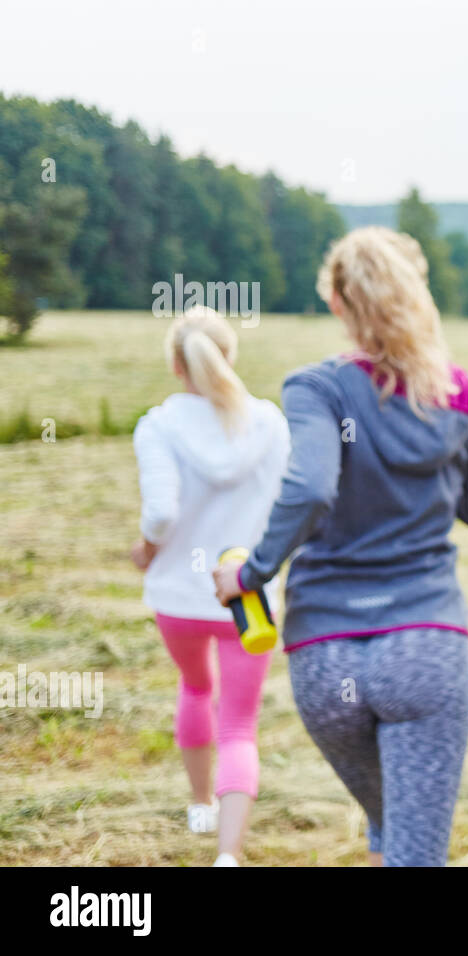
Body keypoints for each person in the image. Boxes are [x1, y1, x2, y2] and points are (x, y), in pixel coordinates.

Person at [214, 226, 468, 866]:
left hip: (326, 656)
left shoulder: (315, 388)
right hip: (424, 645)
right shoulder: (459, 391)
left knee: (388, 830)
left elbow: (312, 485)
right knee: (415, 848)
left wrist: (254, 574)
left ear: (339, 303)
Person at [131, 305, 290, 867]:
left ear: (177, 366)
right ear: (231, 357)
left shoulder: (158, 425)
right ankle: (228, 854)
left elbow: (159, 513)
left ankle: (200, 806)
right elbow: (289, 507)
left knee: (196, 689)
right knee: (240, 723)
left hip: (177, 595)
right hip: (247, 599)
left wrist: (144, 552)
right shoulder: (271, 422)